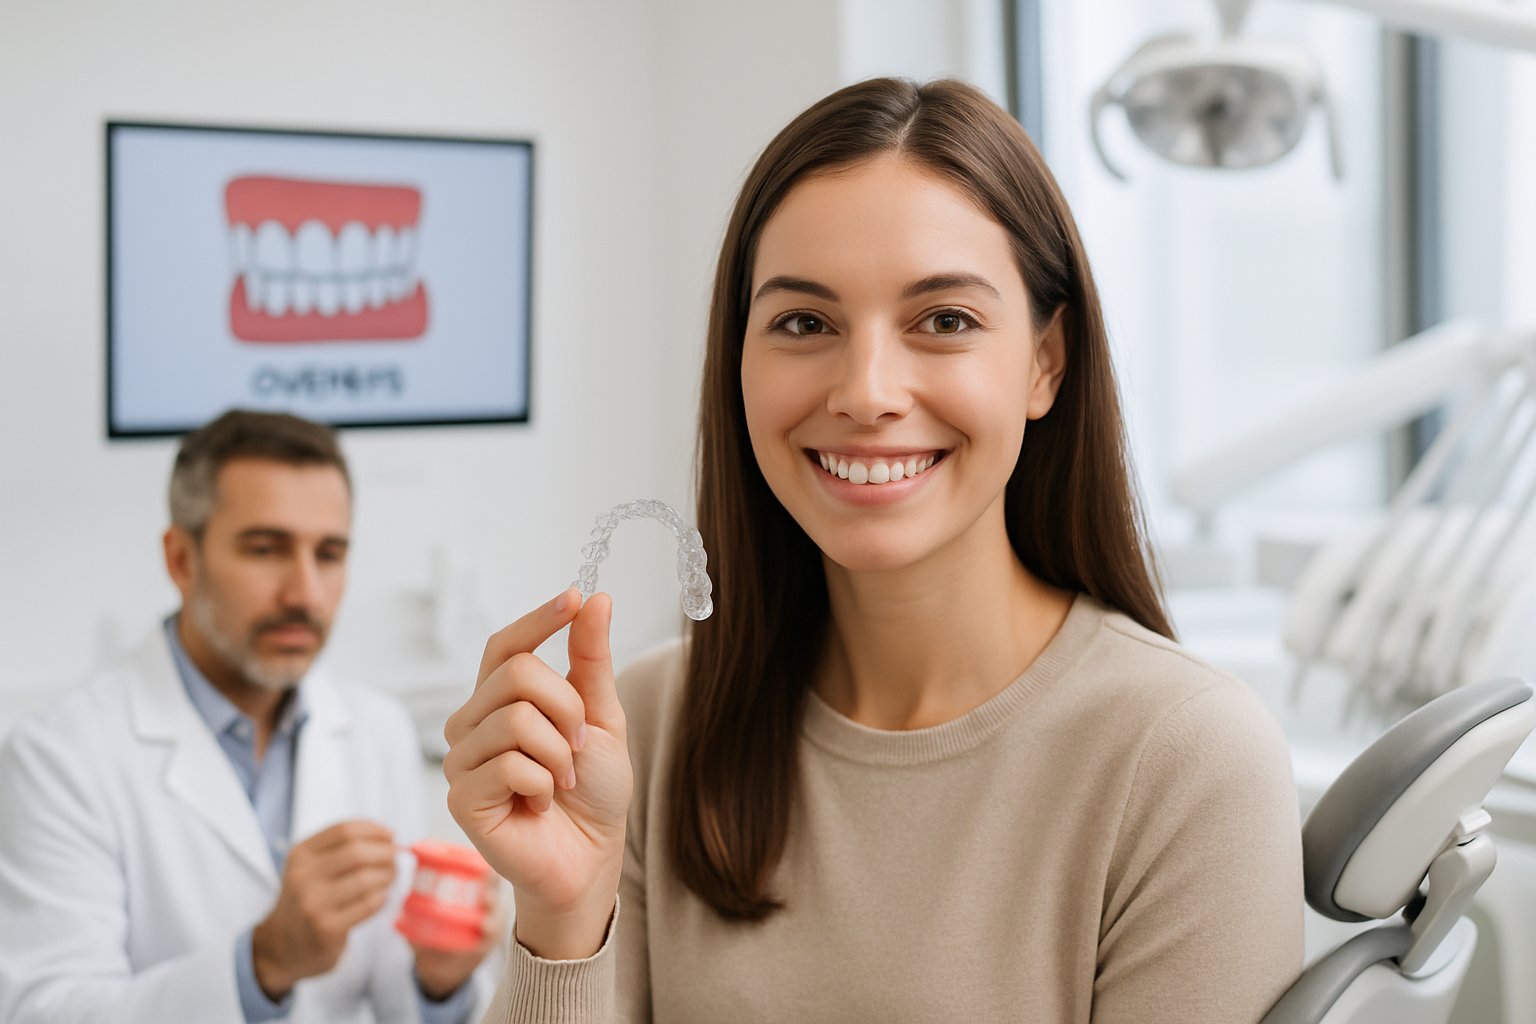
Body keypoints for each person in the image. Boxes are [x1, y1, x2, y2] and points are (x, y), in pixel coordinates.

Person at [445, 78, 1305, 1023]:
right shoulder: (644, 730)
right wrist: (563, 916)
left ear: (1045, 363)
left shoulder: (1186, 762)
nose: (866, 392)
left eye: (945, 321)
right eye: (804, 324)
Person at [0, 410, 499, 1024]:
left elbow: (391, 991)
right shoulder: (59, 756)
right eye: (266, 550)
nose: (305, 593)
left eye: (330, 553)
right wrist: (262, 964)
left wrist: (438, 983)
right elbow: (43, 1012)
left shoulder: (377, 731)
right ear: (182, 560)